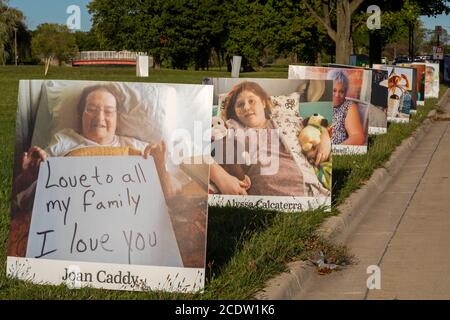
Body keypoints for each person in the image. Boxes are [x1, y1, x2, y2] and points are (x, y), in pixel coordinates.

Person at [9, 84, 178, 257]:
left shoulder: (138, 148)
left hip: (129, 240)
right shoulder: (63, 141)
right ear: (81, 114)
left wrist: (160, 169)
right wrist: (28, 176)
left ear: (117, 117)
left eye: (109, 111)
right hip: (69, 238)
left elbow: (171, 201)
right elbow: (22, 201)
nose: (100, 117)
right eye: (92, 109)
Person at [209, 81, 331, 197]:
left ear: (263, 102)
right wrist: (220, 177)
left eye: (251, 101)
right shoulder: (230, 129)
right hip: (261, 200)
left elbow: (317, 122)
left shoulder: (286, 120)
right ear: (235, 112)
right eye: (240, 104)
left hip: (308, 193)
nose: (246, 107)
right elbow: (198, 150)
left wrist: (325, 138)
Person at [328, 70, 365, 145]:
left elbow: (358, 136)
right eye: (334, 90)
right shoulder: (322, 102)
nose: (337, 95)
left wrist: (337, 149)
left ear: (345, 92)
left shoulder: (348, 106)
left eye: (341, 91)